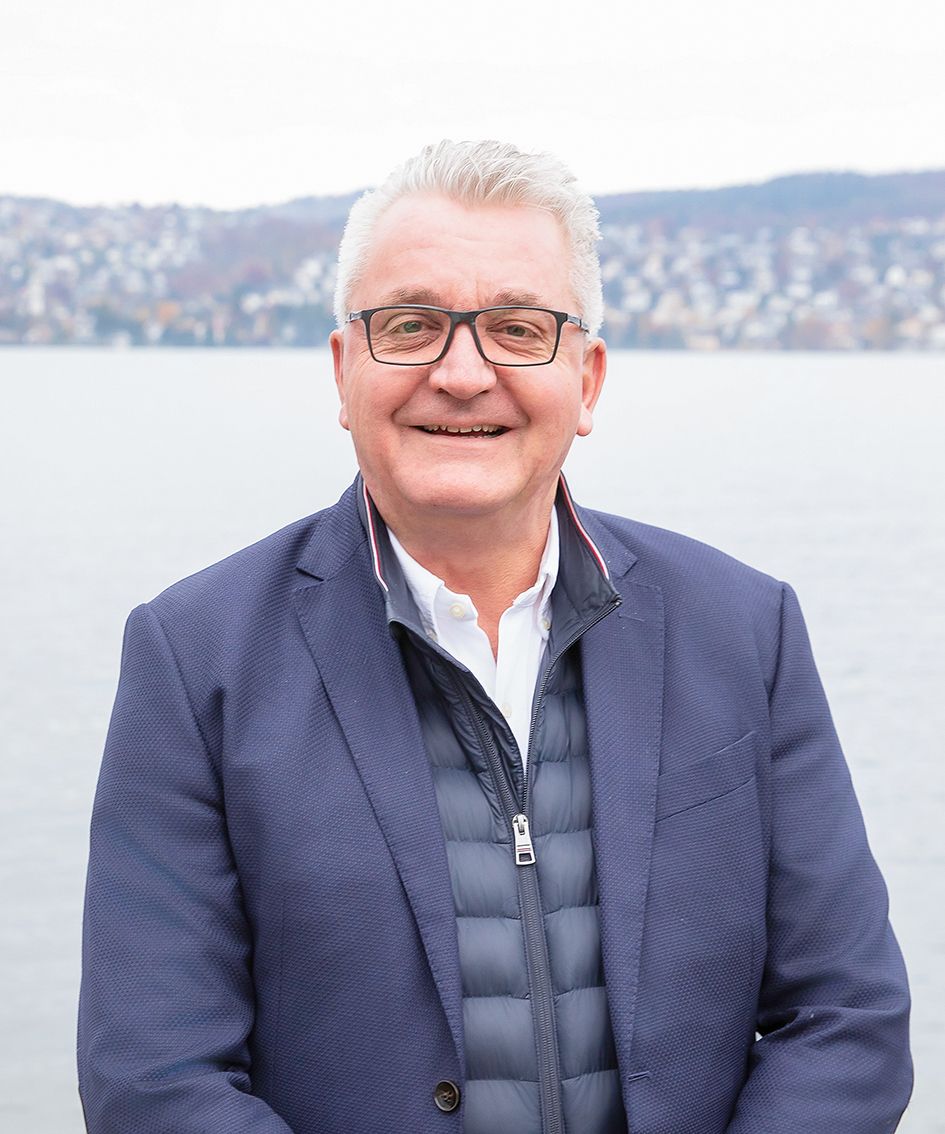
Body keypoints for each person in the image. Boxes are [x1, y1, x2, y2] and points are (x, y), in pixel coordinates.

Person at [77, 140, 912, 1134]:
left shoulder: (742, 631)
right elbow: (155, 1078)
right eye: (410, 325)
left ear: (588, 380)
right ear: (344, 372)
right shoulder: (197, 660)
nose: (463, 374)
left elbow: (847, 1020)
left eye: (518, 329)